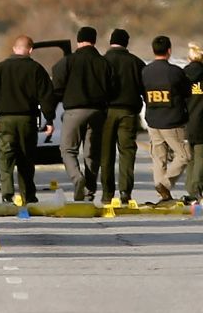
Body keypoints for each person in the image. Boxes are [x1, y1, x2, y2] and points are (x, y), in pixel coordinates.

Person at [0, 35, 55, 204]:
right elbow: (47, 97)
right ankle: (28, 195)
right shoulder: (36, 69)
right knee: (26, 158)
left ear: (14, 49)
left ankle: (7, 194)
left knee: (6, 158)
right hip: (27, 121)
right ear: (30, 50)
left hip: (5, 120)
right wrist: (49, 120)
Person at [52, 26, 115, 202]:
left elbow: (56, 86)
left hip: (74, 111)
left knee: (68, 150)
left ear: (78, 40)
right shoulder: (104, 63)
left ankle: (77, 177)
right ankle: (89, 191)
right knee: (92, 153)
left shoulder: (67, 62)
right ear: (94, 40)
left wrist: (51, 111)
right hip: (98, 112)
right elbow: (113, 89)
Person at [142, 35, 192, 203]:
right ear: (169, 51)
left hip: (153, 121)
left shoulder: (145, 72)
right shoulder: (175, 72)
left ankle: (161, 191)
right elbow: (187, 92)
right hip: (172, 122)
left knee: (159, 157)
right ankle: (164, 183)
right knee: (184, 155)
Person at [100, 28, 145, 204]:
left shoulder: (101, 62)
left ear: (111, 42)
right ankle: (125, 192)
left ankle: (107, 194)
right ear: (127, 43)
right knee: (127, 152)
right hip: (129, 112)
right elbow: (144, 89)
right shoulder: (136, 62)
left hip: (106, 113)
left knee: (106, 153)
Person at [183, 42, 203, 203]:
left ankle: (190, 188)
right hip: (202, 121)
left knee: (190, 158)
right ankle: (197, 189)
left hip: (186, 121)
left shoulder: (183, 75)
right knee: (201, 157)